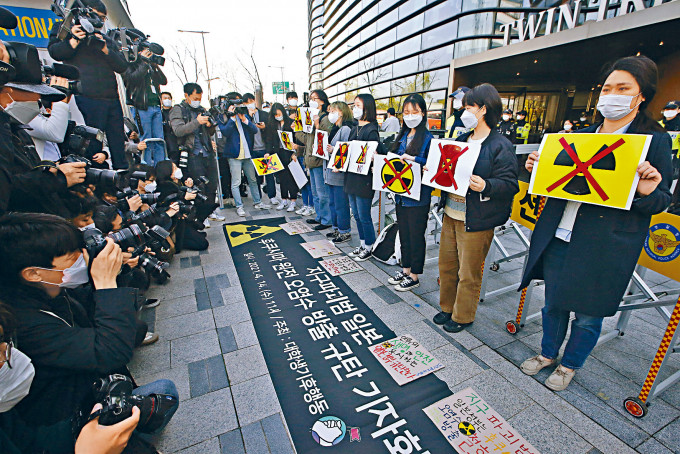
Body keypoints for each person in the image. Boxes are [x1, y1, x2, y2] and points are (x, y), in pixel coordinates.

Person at [519, 55, 673, 391]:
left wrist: (645, 190)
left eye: (623, 88)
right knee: (554, 302)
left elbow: (662, 200)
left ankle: (570, 365)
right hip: (562, 234)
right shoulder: (581, 138)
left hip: (608, 244)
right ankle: (547, 354)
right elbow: (557, 184)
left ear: (641, 95)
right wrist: (537, 169)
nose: (612, 95)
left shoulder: (655, 141)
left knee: (589, 314)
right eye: (607, 88)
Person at [0, 213, 179, 431]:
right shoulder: (25, 323)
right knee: (167, 391)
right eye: (72, 256)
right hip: (67, 419)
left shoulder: (53, 291)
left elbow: (122, 326)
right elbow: (111, 351)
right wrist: (105, 282)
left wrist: (116, 274)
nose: (82, 257)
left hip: (90, 388)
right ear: (34, 273)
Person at [434, 83, 519, 333]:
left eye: (468, 106)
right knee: (447, 266)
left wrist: (487, 185)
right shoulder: (462, 140)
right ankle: (447, 307)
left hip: (477, 218)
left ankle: (463, 315)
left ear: (483, 109)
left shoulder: (500, 144)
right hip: (451, 213)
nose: (464, 111)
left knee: (468, 272)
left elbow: (510, 184)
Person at [47, 0, 129, 170]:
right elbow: (55, 52)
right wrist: (74, 40)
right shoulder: (65, 28)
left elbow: (122, 66)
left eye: (103, 18)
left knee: (118, 145)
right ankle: (94, 184)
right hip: (86, 97)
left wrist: (106, 49)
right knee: (92, 145)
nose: (99, 21)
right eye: (96, 16)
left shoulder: (105, 38)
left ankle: (122, 181)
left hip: (112, 98)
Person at [388, 94, 433, 291]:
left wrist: (415, 161)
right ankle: (405, 269)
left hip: (418, 197)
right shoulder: (403, 136)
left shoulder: (428, 139)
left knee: (416, 235)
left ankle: (414, 275)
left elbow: (433, 165)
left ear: (423, 113)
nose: (410, 116)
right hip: (401, 194)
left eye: (414, 112)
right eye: (406, 112)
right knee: (404, 234)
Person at [169, 83, 224, 225]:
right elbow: (178, 131)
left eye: (199, 98)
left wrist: (210, 126)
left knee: (212, 185)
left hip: (207, 152)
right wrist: (197, 122)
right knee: (199, 187)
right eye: (194, 98)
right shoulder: (178, 110)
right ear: (186, 95)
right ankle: (201, 216)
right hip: (192, 154)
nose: (197, 101)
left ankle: (211, 211)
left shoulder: (201, 109)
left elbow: (210, 132)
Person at [217, 97, 270, 217]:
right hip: (234, 155)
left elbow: (254, 129)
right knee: (236, 182)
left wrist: (244, 119)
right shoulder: (224, 118)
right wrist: (232, 118)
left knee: (252, 179)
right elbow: (225, 132)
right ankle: (239, 206)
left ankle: (258, 201)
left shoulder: (244, 116)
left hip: (247, 154)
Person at [345, 93, 382, 261]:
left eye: (358, 105)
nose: (355, 109)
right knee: (357, 214)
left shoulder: (371, 129)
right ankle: (362, 243)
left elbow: (375, 154)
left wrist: (374, 157)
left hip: (364, 179)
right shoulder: (354, 128)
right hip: (351, 177)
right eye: (354, 105)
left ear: (367, 107)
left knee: (364, 214)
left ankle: (370, 245)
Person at [123, 43, 168, 166]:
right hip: (142, 107)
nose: (149, 54)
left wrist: (155, 65)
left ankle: (161, 167)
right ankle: (147, 169)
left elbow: (163, 81)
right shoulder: (132, 64)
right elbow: (132, 79)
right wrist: (143, 62)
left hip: (156, 106)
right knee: (146, 139)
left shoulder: (151, 67)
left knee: (159, 139)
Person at [303, 89, 334, 230]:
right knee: (315, 192)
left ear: (322, 100)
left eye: (314, 98)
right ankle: (319, 216)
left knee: (322, 193)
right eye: (310, 98)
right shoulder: (310, 116)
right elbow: (307, 139)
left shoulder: (325, 118)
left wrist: (316, 125)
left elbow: (326, 137)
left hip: (320, 159)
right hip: (311, 158)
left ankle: (327, 219)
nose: (312, 101)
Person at [324, 101, 353, 244]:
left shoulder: (346, 129)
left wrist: (333, 149)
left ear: (341, 112)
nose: (331, 114)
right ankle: (336, 228)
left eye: (333, 111)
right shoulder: (334, 128)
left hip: (339, 173)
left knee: (341, 203)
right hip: (330, 172)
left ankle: (344, 230)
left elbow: (346, 150)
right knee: (333, 202)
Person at [244, 92, 279, 206]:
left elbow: (271, 133)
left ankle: (272, 196)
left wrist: (265, 128)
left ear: (254, 101)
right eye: (247, 103)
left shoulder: (264, 114)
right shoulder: (244, 116)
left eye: (251, 102)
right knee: (255, 176)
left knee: (269, 174)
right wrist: (249, 116)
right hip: (252, 150)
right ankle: (257, 197)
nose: (249, 105)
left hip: (264, 148)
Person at [264, 103, 300, 212]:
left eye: (279, 114)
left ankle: (293, 200)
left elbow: (296, 138)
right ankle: (284, 199)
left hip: (289, 153)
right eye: (276, 115)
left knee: (291, 178)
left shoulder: (290, 122)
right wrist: (268, 152)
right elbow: (269, 140)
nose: (278, 116)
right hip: (278, 153)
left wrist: (296, 152)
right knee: (281, 178)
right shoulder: (272, 125)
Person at [659, 100, 680, 181]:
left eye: (672, 109)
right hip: (659, 154)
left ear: (678, 110)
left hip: (673, 157)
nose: (669, 111)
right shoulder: (658, 124)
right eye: (667, 109)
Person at [160, 91, 180, 163]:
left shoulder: (176, 112)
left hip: (177, 142)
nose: (167, 100)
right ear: (161, 101)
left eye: (169, 98)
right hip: (166, 143)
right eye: (165, 98)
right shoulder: (159, 114)